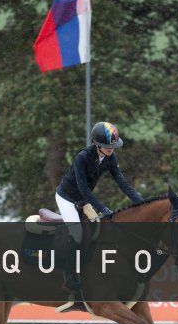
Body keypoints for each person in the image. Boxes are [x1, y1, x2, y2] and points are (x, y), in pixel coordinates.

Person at [55, 121, 144, 293]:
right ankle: (69, 277)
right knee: (77, 233)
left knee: (98, 231)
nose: (111, 149)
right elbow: (83, 188)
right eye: (108, 146)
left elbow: (123, 183)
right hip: (67, 197)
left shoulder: (110, 158)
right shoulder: (82, 157)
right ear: (97, 144)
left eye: (113, 146)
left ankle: (90, 271)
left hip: (83, 199)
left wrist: (141, 202)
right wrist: (103, 209)